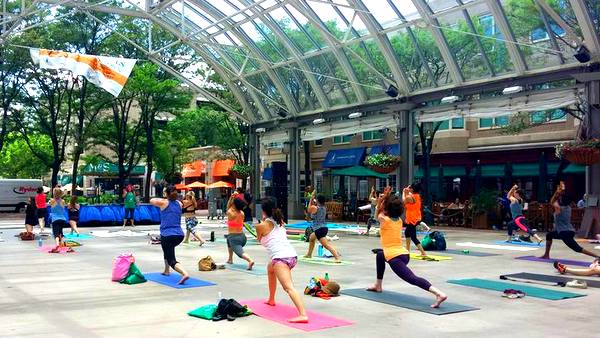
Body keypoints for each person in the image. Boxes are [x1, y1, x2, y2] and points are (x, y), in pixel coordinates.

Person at [367, 186, 447, 308]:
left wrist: (383, 198)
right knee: (379, 255)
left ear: (387, 209)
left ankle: (439, 294)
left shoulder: (384, 220)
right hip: (404, 254)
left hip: (395, 258)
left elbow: (377, 210)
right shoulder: (398, 220)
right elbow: (398, 206)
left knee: (412, 279)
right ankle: (378, 285)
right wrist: (387, 197)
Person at [256, 197, 308, 324]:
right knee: (270, 268)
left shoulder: (261, 226)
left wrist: (263, 222)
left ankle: (303, 314)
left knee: (288, 287)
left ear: (263, 211)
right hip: (291, 256)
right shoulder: (280, 221)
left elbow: (259, 240)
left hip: (281, 259)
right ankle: (271, 299)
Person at [540, 181, 599, 260]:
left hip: (565, 233)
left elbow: (552, 201)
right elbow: (556, 200)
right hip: (567, 231)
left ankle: (597, 256)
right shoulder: (568, 207)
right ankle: (546, 255)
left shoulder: (559, 209)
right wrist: (561, 191)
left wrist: (558, 192)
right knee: (549, 235)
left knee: (577, 249)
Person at [150, 185, 189, 285]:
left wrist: (164, 195)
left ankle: (184, 273)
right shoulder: (179, 204)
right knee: (167, 250)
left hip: (167, 235)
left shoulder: (164, 202)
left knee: (172, 259)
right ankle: (166, 270)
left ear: (166, 194)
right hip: (179, 235)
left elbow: (152, 200)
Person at [304, 194, 341, 263]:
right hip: (323, 227)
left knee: (326, 245)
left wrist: (311, 199)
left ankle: (337, 257)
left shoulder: (315, 208)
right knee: (311, 238)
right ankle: (309, 254)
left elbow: (309, 210)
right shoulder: (324, 207)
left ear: (317, 200)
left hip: (319, 229)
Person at [226, 193, 254, 270]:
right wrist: (233, 198)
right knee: (228, 241)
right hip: (242, 237)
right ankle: (230, 259)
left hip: (235, 238)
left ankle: (250, 260)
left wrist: (231, 198)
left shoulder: (231, 213)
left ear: (234, 205)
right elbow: (231, 207)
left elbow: (228, 207)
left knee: (240, 253)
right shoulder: (242, 213)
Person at [402, 183, 427, 256]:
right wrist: (407, 192)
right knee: (407, 232)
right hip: (415, 217)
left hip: (412, 218)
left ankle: (423, 253)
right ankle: (407, 250)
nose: (408, 188)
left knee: (413, 237)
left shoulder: (410, 197)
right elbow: (409, 196)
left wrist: (404, 192)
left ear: (412, 189)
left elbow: (404, 201)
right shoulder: (417, 195)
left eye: (410, 187)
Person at [48, 188, 71, 253]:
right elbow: (63, 208)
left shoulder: (52, 201)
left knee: (56, 234)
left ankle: (57, 245)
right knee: (60, 233)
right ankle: (64, 245)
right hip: (62, 219)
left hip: (55, 219)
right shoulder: (63, 201)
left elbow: (49, 205)